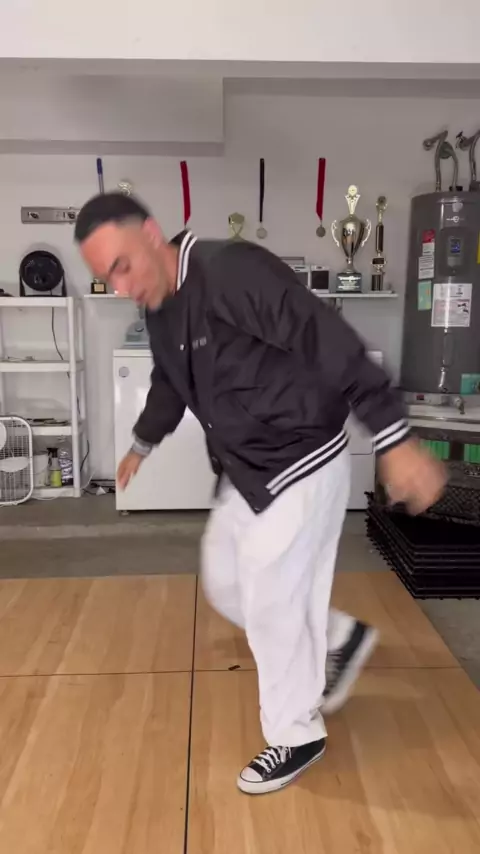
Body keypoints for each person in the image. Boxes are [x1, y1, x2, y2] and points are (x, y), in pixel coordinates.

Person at [75, 192, 446, 796]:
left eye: (122, 266)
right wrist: (142, 442)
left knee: (272, 598)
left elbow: (326, 337)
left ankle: (297, 732)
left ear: (152, 234)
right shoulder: (162, 306)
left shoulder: (232, 271)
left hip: (304, 457)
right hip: (246, 469)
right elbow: (170, 378)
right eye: (106, 277)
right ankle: (337, 638)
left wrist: (393, 435)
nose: (120, 287)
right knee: (226, 581)